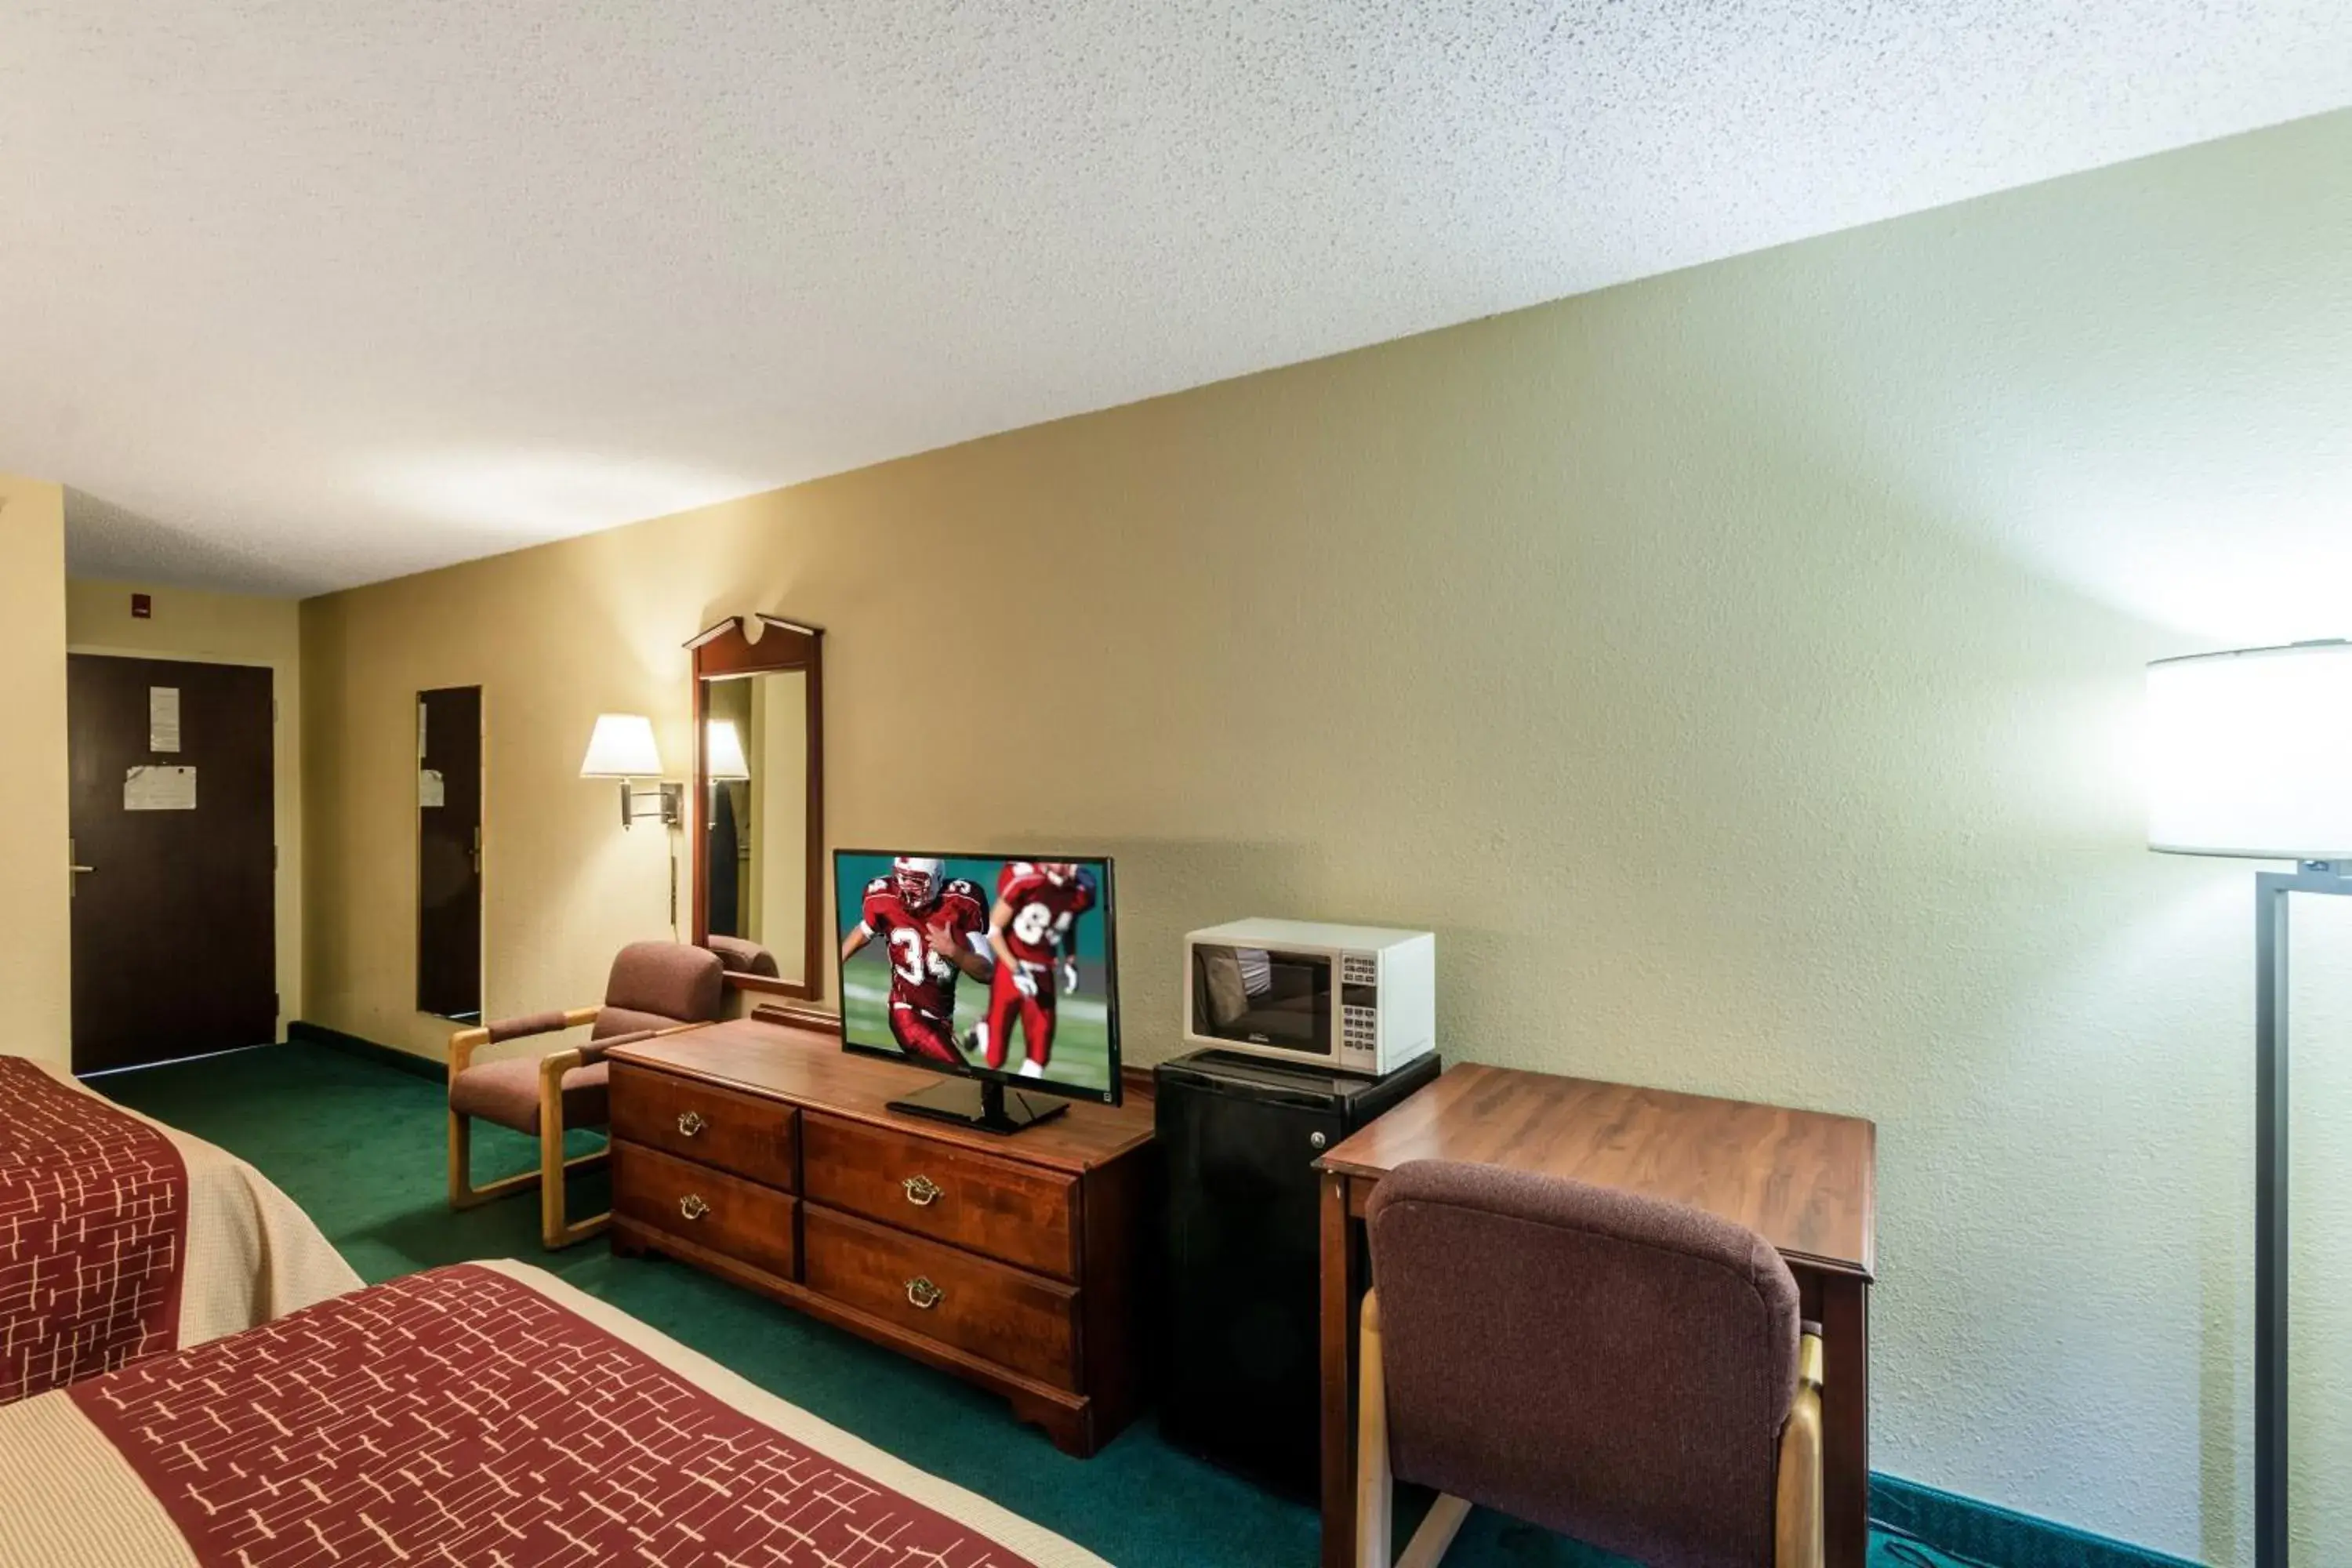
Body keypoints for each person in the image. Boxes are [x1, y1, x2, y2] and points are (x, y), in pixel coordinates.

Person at [840, 856, 991, 1063]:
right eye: (902, 879)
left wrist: (954, 952)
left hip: (941, 1019)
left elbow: (987, 973)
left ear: (936, 879)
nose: (906, 888)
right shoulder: (885, 898)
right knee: (963, 1075)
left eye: (916, 881)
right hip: (908, 1015)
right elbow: (864, 930)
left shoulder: (961, 904)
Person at [970, 860, 1097, 1079]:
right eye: (1062, 860)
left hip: (1044, 970)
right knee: (995, 1059)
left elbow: (1066, 921)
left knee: (1039, 1055)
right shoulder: (1025, 880)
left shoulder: (1081, 889)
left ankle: (1022, 1099)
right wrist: (1016, 969)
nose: (1069, 867)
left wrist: (1070, 959)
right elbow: (994, 929)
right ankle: (985, 1025)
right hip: (1012, 967)